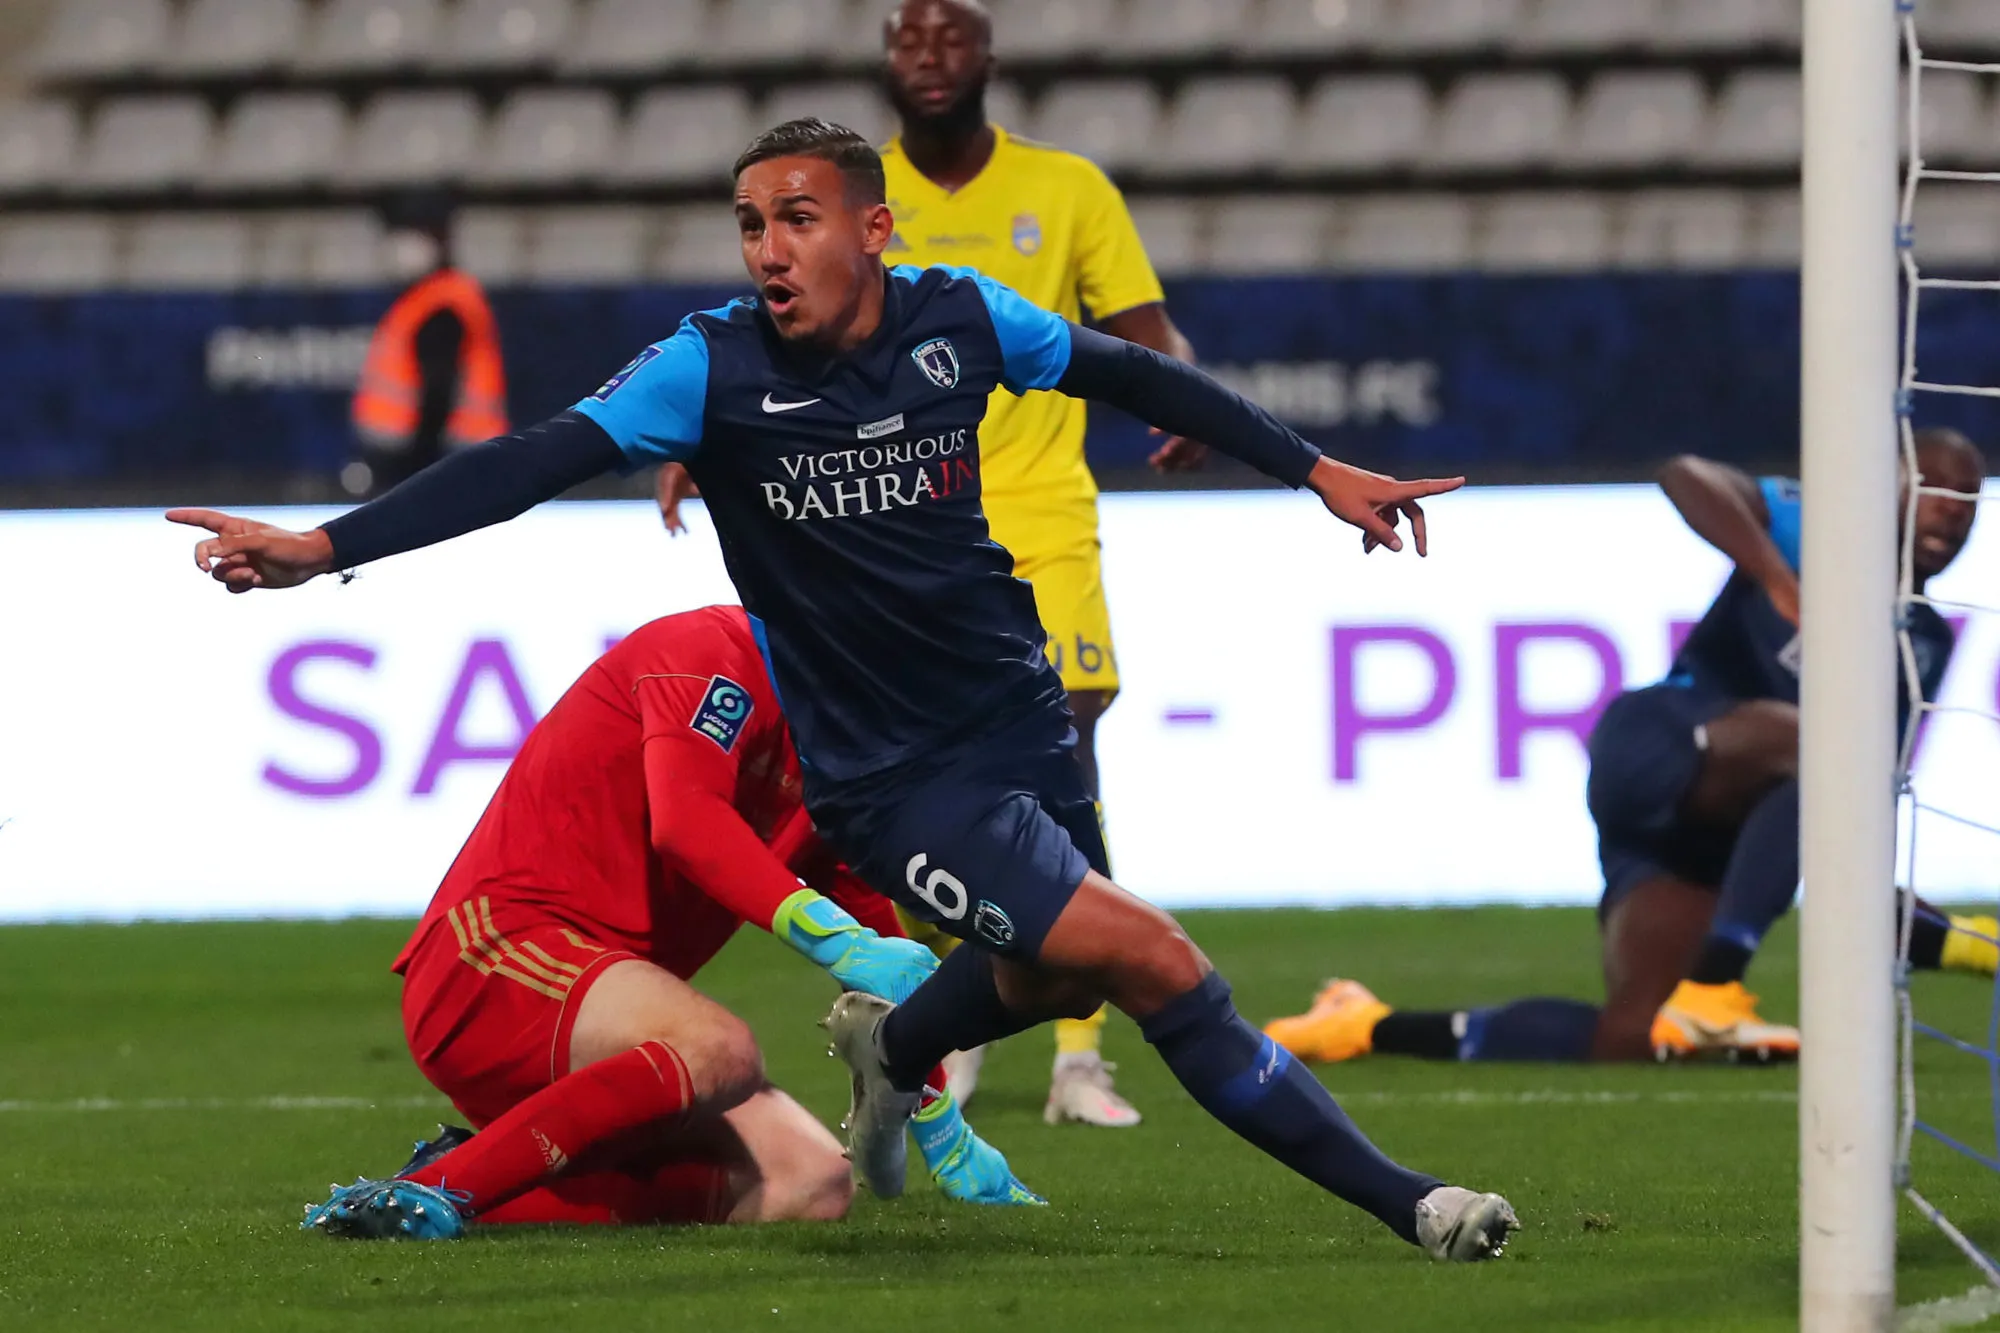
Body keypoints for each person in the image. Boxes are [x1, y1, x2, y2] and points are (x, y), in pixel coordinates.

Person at [168, 118, 1516, 1261]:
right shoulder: (710, 368)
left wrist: (1314, 469)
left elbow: (1130, 373)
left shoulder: (959, 318)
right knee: (1155, 960)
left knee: (1047, 983)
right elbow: (526, 461)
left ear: (873, 231)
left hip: (1018, 716)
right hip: (892, 778)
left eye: (796, 219)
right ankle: (1420, 1206)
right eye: (749, 223)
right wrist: (326, 548)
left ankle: (895, 1052)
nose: (766, 250)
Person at [655, 0, 1201, 1128]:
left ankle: (1075, 1050)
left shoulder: (1066, 190)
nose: (929, 56)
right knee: (934, 787)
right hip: (886, 530)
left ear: (988, 56)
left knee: (1067, 736)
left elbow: (1143, 332)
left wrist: (1177, 389)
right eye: (907, 39)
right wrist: (704, 445)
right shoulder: (838, 201)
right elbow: (762, 354)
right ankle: (964, 1011)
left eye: (950, 37)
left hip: (1037, 511)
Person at [299, 607, 1039, 1239]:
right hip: (493, 958)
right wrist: (842, 941)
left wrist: (943, 1126)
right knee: (718, 1048)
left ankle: (445, 1183)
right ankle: (447, 1189)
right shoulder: (712, 655)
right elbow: (686, 824)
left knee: (809, 1184)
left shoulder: (840, 752)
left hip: (603, 1024)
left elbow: (879, 945)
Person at [1264, 432, 1993, 1067]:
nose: (1952, 509)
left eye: (1969, 497)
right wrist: (1777, 578)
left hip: (1710, 835)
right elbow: (1684, 473)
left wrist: (1964, 944)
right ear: (1882, 482)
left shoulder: (1923, 645)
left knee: (1637, 1036)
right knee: (1832, 747)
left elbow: (1843, 846)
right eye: (1933, 487)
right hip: (1662, 743)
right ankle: (1716, 986)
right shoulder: (1816, 536)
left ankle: (1363, 1024)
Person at [347, 189, 509, 498]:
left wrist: (416, 469)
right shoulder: (426, 299)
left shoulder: (444, 305)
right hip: (441, 460)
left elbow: (438, 394)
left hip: (446, 461)